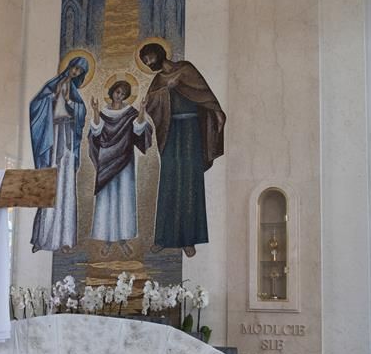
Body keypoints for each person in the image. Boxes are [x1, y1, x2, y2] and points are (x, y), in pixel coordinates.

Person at [139, 42, 226, 257]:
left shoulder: (186, 68)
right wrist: (165, 91)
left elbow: (204, 93)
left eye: (149, 58)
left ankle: (189, 240)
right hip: (171, 131)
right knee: (169, 180)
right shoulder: (158, 80)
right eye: (146, 62)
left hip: (192, 130)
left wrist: (217, 112)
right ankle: (163, 238)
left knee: (190, 181)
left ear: (158, 53)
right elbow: (150, 104)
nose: (149, 63)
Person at [29, 55, 89, 252]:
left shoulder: (75, 93)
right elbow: (35, 105)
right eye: (74, 68)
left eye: (79, 72)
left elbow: (81, 113)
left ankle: (65, 240)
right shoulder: (52, 85)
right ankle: (42, 238)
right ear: (69, 66)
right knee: (51, 184)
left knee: (66, 186)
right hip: (53, 136)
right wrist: (51, 99)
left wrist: (72, 105)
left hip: (68, 138)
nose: (75, 72)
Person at [88, 80, 152, 256]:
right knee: (107, 200)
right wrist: (95, 110)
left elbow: (138, 130)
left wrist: (143, 109)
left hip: (125, 159)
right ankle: (107, 240)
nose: (120, 96)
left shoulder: (130, 113)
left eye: (123, 94)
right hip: (106, 160)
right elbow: (96, 131)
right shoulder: (104, 113)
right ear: (112, 91)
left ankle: (123, 240)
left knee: (124, 199)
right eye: (118, 92)